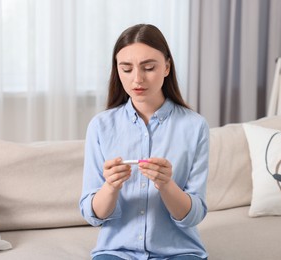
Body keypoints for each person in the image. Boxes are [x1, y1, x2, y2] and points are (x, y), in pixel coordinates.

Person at [79, 24, 209, 260]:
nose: (137, 79)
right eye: (126, 69)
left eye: (148, 67)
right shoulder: (100, 127)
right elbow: (92, 215)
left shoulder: (195, 126)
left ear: (167, 67)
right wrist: (111, 187)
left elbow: (195, 215)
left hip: (181, 252)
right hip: (116, 252)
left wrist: (167, 185)